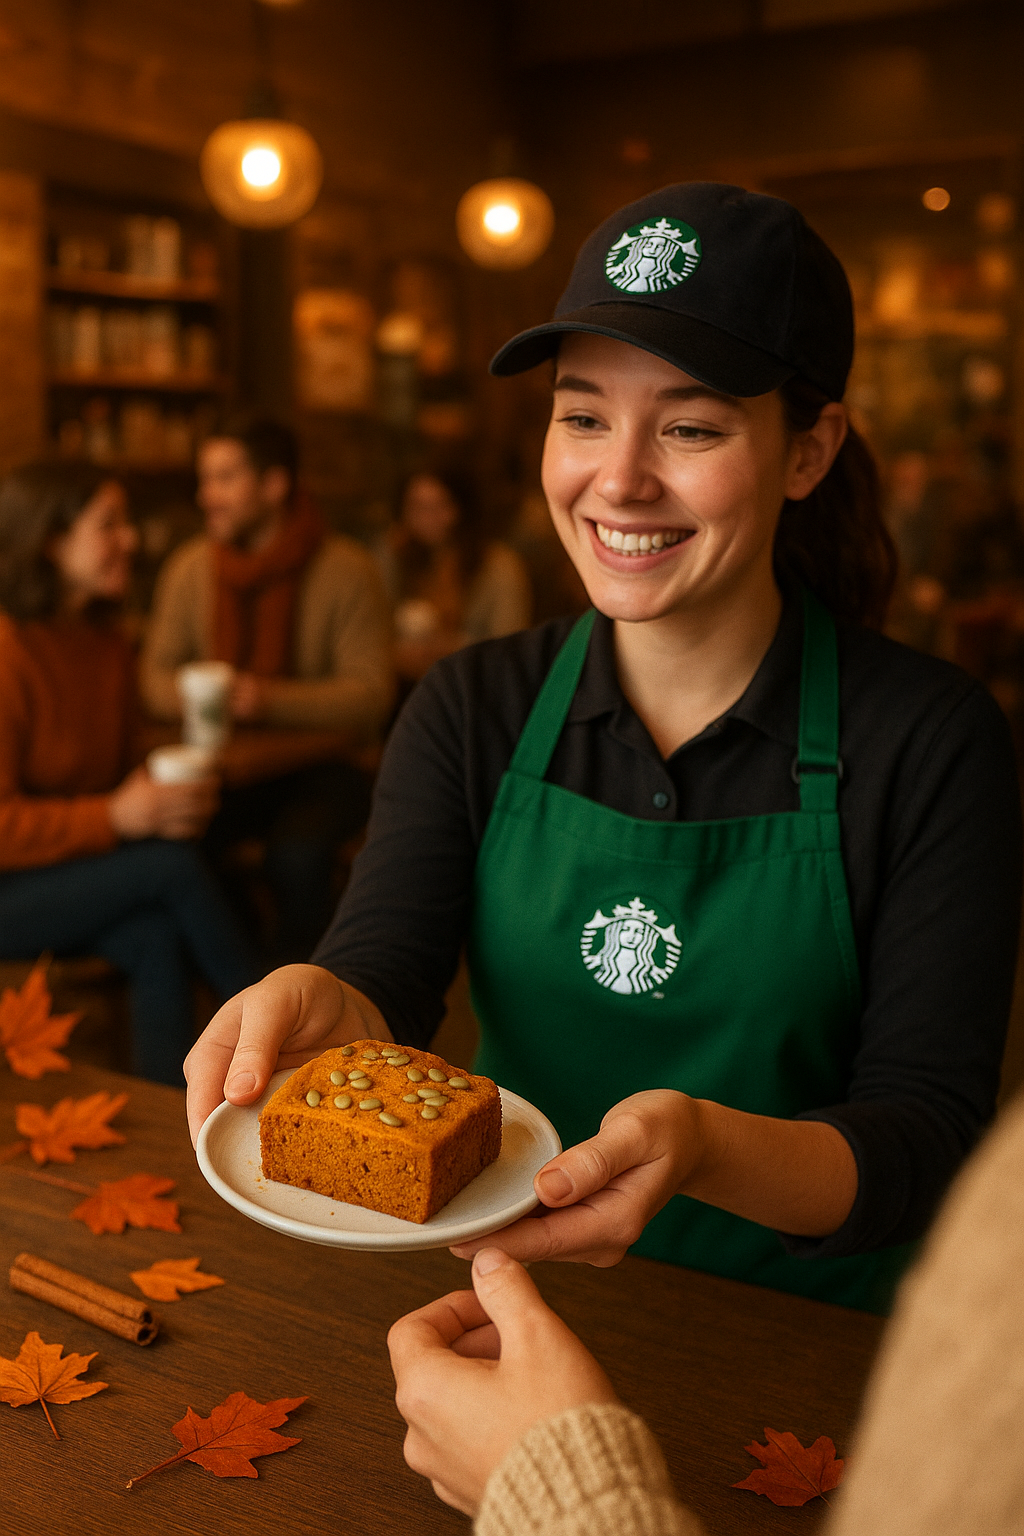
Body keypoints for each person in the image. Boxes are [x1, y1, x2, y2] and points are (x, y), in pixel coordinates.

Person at [184, 184, 1021, 1314]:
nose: (617, 479)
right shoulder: (471, 704)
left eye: (689, 426)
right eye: (582, 416)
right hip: (511, 1301)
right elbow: (384, 976)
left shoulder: (931, 741)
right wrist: (329, 998)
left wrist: (708, 1150)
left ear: (807, 451)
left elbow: (923, 1143)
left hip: (810, 1344)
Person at [385, 1088, 1024, 1535]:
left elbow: (935, 1134)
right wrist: (353, 991)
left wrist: (556, 1486)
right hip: (552, 1277)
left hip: (810, 1328)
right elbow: (393, 955)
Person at [0, 463, 259, 1084]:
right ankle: (288, 1046)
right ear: (51, 541)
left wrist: (163, 792)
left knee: (155, 935)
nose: (132, 540)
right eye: (108, 525)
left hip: (68, 871)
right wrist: (118, 814)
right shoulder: (7, 649)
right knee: (167, 869)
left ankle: (170, 1126)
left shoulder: (106, 641)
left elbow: (115, 770)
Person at [140, 415, 394, 961]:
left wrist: (266, 698)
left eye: (225, 478)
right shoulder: (190, 569)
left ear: (275, 485)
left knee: (297, 857)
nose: (207, 496)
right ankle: (246, 986)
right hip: (229, 765)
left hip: (326, 765)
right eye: (205, 479)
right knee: (179, 851)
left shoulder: (345, 569)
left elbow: (372, 695)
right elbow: (152, 679)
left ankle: (311, 996)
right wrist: (202, 695)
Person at [376, 467, 531, 687]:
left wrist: (452, 647)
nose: (427, 518)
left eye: (438, 507)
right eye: (417, 508)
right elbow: (372, 634)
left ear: (461, 508)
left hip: (476, 687)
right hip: (405, 687)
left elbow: (512, 647)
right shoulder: (393, 555)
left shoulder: (499, 566)